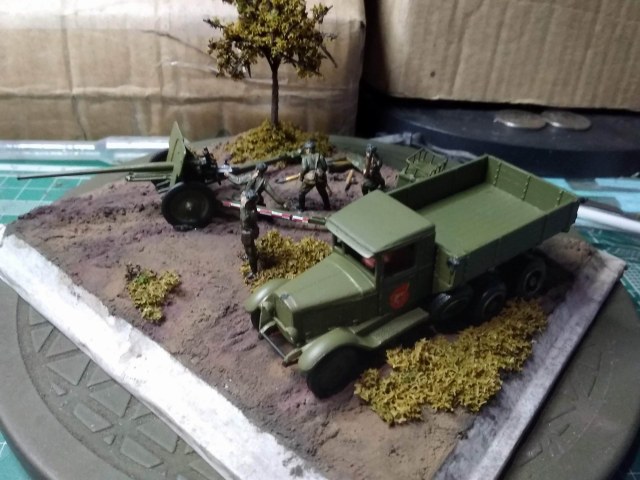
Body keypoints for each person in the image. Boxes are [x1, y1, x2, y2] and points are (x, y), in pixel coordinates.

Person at [298, 140, 331, 211]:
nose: (306, 150)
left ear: (308, 149)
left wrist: (301, 176)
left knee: (301, 192)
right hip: (320, 177)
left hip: (310, 179)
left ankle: (301, 208)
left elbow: (304, 168)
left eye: (306, 149)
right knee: (323, 193)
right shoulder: (320, 156)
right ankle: (327, 207)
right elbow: (325, 167)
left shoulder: (305, 158)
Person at [239, 189, 260, 281]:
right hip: (246, 231)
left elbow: (245, 219)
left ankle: (254, 272)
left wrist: (243, 207)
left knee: (250, 251)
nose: (242, 198)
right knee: (249, 247)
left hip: (248, 233)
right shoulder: (247, 208)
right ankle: (250, 255)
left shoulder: (249, 212)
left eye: (244, 197)